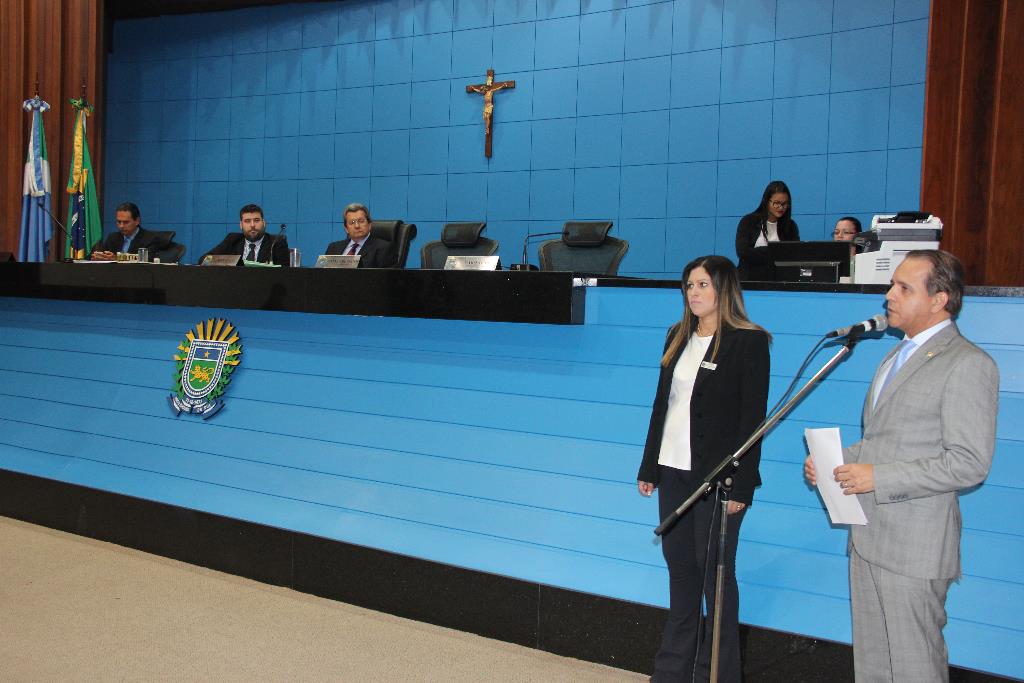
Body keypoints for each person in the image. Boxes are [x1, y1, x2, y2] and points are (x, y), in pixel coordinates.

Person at [804, 250, 998, 682]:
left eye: (903, 288)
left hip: (915, 548)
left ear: (938, 299)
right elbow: (884, 442)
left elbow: (969, 463)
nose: (889, 295)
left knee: (914, 669)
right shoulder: (894, 357)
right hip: (868, 537)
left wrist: (878, 477)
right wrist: (834, 463)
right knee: (873, 667)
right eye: (892, 284)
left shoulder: (968, 364)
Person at [637, 255, 771, 682]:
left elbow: (754, 422)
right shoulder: (677, 336)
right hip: (672, 470)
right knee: (682, 576)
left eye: (702, 285)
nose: (693, 293)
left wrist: (742, 489)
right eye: (689, 285)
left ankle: (718, 674)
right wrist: (649, 467)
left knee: (715, 577)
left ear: (723, 290)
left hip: (718, 482)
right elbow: (663, 408)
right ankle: (672, 673)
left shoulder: (747, 342)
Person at [735, 180, 799, 280]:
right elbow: (742, 252)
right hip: (748, 280)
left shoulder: (790, 226)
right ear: (766, 201)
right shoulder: (748, 221)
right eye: (776, 203)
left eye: (784, 204)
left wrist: (759, 252)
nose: (780, 207)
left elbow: (793, 254)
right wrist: (774, 252)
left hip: (778, 281)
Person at [202, 203, 289, 266]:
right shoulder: (232, 239)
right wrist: (227, 262)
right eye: (247, 221)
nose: (252, 225)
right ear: (241, 225)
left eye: (256, 220)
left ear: (264, 223)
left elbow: (285, 273)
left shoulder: (276, 243)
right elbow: (204, 260)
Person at [325, 203, 394, 268]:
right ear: (346, 229)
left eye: (361, 221)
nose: (357, 226)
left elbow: (385, 278)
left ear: (369, 225)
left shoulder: (383, 248)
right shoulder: (333, 247)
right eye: (352, 222)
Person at [90, 202, 167, 261]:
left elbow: (147, 261)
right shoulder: (112, 238)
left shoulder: (150, 239)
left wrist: (117, 258)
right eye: (118, 222)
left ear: (137, 221)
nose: (121, 226)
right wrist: (99, 257)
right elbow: (104, 256)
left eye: (126, 222)